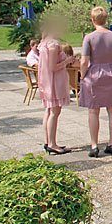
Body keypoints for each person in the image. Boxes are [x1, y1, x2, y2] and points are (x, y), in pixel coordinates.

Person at [80, 6, 112, 158]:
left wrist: (82, 75)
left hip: (94, 73)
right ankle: (111, 143)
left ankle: (94, 145)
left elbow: (84, 61)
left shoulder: (89, 37)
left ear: (92, 19)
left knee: (93, 110)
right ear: (106, 19)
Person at [38, 21, 74, 155]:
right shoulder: (53, 44)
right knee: (54, 112)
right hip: (54, 83)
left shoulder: (44, 43)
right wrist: (67, 61)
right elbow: (53, 67)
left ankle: (48, 141)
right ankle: (52, 144)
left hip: (47, 83)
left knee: (48, 111)